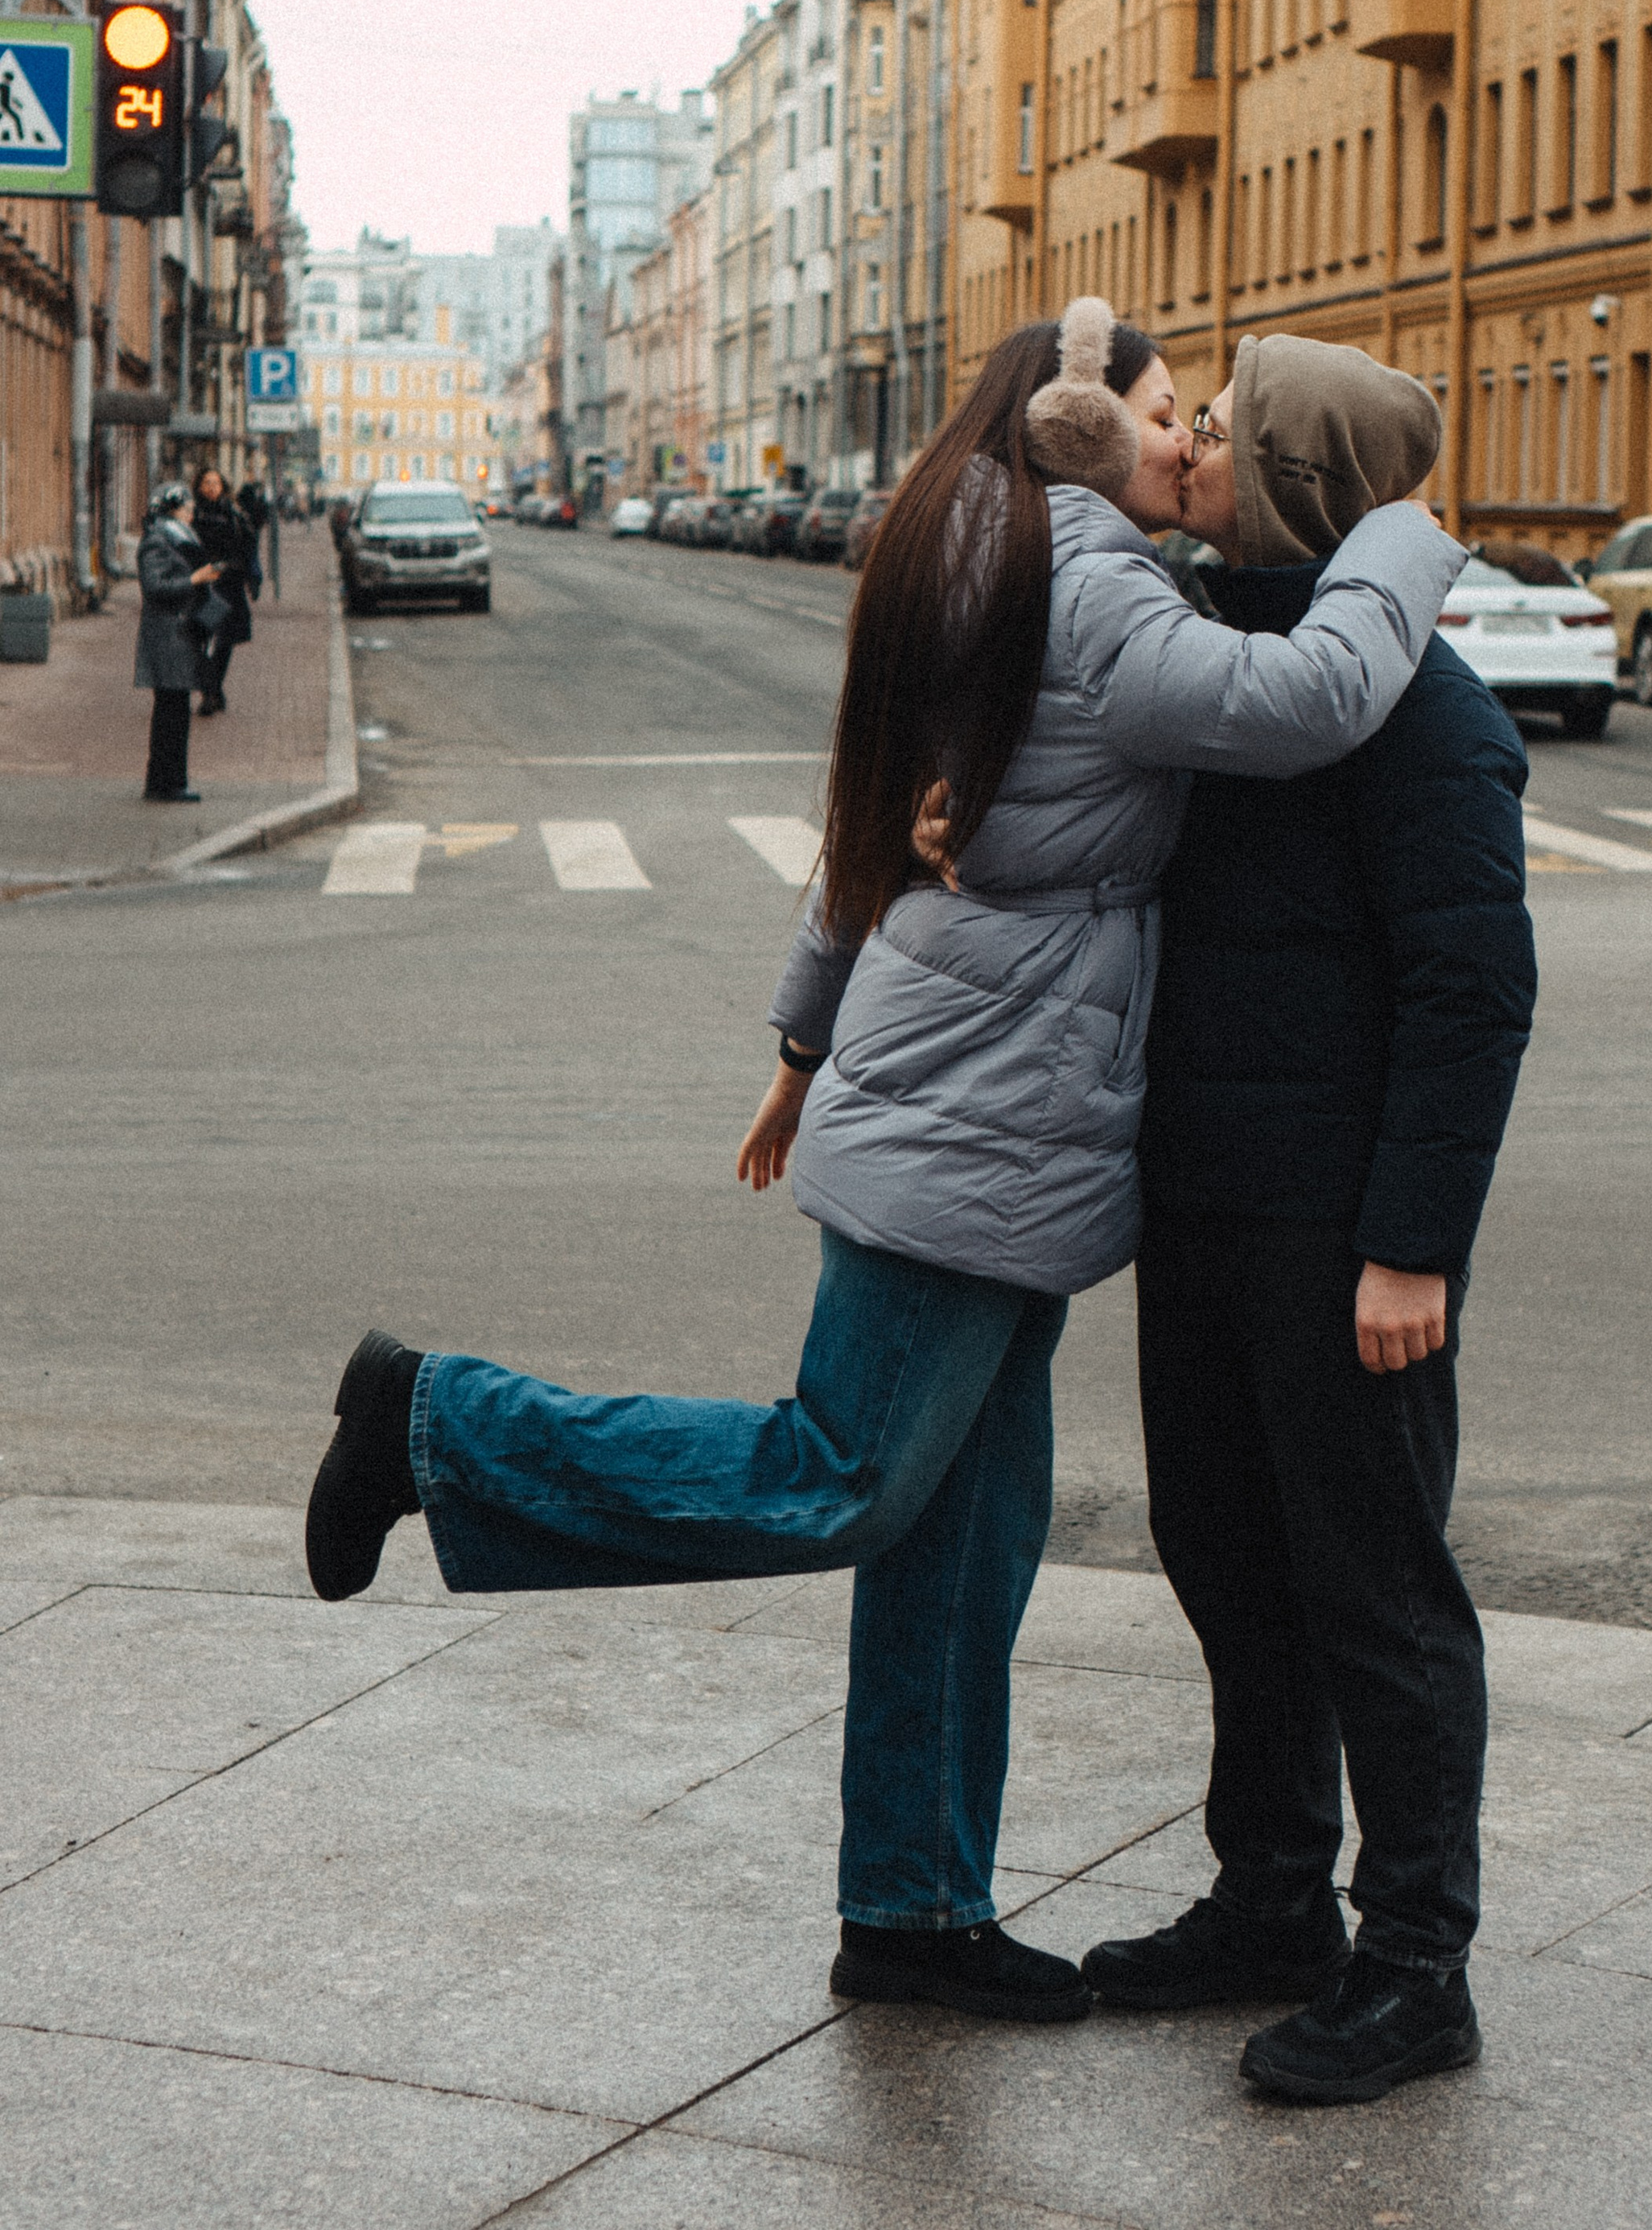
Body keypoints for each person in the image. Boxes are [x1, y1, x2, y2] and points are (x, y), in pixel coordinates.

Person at [303, 299, 1468, 2026]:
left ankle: (911, 1910)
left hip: (990, 1111)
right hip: (978, 1117)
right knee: (838, 1477)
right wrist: (1400, 541)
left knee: (961, 1543)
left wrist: (798, 1040)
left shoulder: (1006, 569)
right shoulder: (1083, 584)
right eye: (1163, 413)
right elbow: (1299, 699)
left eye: (1199, 423)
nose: (1181, 441)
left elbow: (874, 824)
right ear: (1072, 425)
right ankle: (433, 1424)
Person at [1077, 336, 1536, 2106]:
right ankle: (1271, 1900)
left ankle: (1417, 1966)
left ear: (1282, 475)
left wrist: (1411, 1241)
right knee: (1224, 1559)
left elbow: (1468, 995)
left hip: (1346, 1236)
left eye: (1217, 429)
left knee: (1375, 1596)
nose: (1180, 444)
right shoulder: (1226, 662)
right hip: (1201, 1209)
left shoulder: (1417, 709)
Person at [134, 482, 225, 802]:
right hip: (167, 636)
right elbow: (155, 586)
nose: (191, 514)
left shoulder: (178, 537)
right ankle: (166, 784)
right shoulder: (157, 541)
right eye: (187, 508)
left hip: (180, 634)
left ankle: (169, 781)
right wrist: (194, 579)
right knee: (170, 713)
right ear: (174, 509)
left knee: (175, 712)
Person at [188, 466, 257, 715]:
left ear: (223, 487)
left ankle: (213, 689)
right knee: (199, 639)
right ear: (198, 486)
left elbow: (249, 545)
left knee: (225, 641)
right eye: (206, 483)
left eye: (216, 483)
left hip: (229, 584)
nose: (211, 488)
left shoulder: (234, 514)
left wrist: (252, 577)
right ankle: (211, 690)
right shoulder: (192, 514)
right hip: (202, 584)